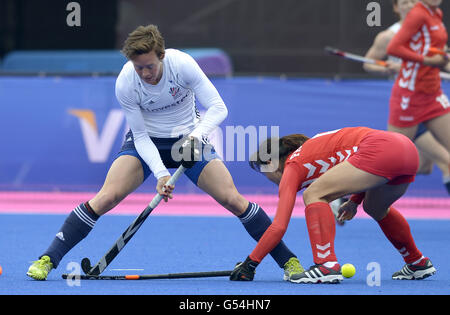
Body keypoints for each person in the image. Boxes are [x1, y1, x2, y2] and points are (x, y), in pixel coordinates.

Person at [26, 24, 304, 280]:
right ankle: (48, 259)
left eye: (149, 66)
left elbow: (219, 108)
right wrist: (160, 174)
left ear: (161, 56)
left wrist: (194, 138)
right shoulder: (126, 82)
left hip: (190, 138)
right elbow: (141, 135)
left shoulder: (182, 64)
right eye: (139, 68)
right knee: (106, 197)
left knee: (233, 199)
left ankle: (288, 262)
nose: (145, 74)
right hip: (145, 143)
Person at [229, 127, 436, 283]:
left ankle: (326, 264)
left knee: (314, 194)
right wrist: (355, 201)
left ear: (272, 164)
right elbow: (361, 167)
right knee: (375, 208)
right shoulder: (312, 151)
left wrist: (251, 263)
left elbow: (279, 226)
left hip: (381, 149)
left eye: (265, 173)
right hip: (406, 150)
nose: (269, 179)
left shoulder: (293, 165)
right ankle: (417, 262)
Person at [364, 0, 450, 194]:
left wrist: (441, 60)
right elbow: (373, 62)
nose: (409, 6)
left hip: (433, 95)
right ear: (396, 8)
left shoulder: (434, 16)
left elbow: (440, 58)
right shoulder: (390, 34)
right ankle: (348, 195)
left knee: (422, 167)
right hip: (408, 100)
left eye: (412, 2)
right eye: (404, 2)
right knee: (393, 164)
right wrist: (390, 68)